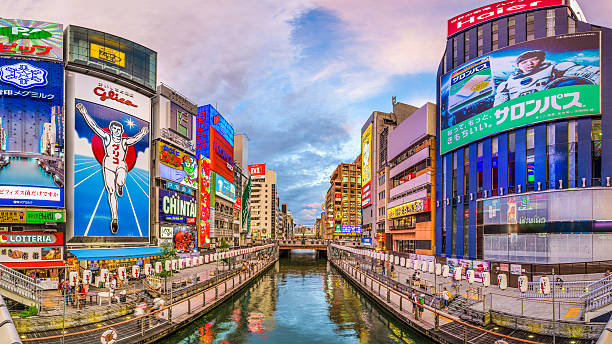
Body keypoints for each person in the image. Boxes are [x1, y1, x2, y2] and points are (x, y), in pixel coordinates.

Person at [75, 103, 149, 234]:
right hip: (108, 165)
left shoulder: (124, 141)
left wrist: (143, 133)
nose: (117, 131)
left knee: (120, 181)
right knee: (111, 191)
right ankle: (114, 218)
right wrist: (84, 113)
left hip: (120, 164)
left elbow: (135, 139)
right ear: (111, 130)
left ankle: (121, 185)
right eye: (114, 129)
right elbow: (94, 126)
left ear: (121, 131)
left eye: (119, 130)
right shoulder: (107, 137)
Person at [494, 49, 600, 106]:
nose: (529, 63)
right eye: (524, 62)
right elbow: (499, 109)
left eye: (534, 59)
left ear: (541, 60)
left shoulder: (557, 69)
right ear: (518, 65)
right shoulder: (506, 85)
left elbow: (593, 74)